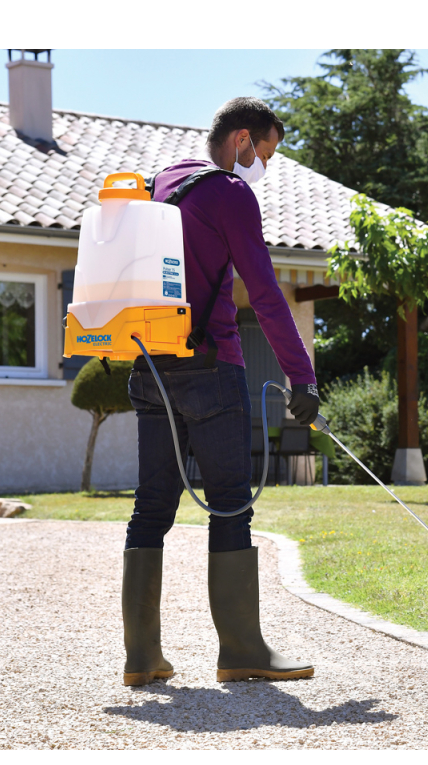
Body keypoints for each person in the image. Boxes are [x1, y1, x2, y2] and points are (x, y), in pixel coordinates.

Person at [121, 97, 320, 687]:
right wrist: (300, 375)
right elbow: (262, 290)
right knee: (231, 501)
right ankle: (241, 650)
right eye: (265, 151)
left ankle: (141, 658)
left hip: (150, 368)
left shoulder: (162, 182)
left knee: (150, 506)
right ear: (240, 139)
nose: (265, 165)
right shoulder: (231, 194)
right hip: (211, 368)